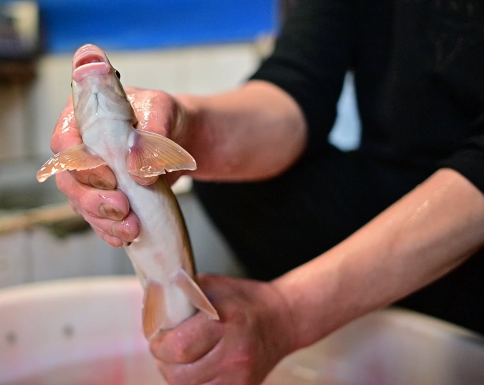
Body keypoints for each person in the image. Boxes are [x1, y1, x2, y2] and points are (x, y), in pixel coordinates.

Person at [50, 0, 484, 383]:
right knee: (225, 181)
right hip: (385, 186)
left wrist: (288, 312)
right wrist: (188, 126)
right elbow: (296, 87)